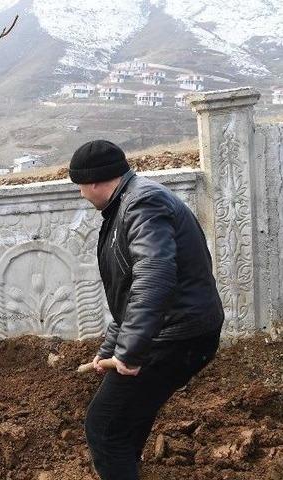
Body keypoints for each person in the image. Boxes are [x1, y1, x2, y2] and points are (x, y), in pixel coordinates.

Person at [70, 140, 224, 480]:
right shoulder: (129, 201)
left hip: (177, 335)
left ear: (94, 181)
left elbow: (154, 279)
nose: (81, 193)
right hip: (178, 330)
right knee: (125, 422)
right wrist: (111, 348)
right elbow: (128, 294)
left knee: (105, 427)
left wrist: (129, 354)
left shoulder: (142, 203)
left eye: (80, 186)